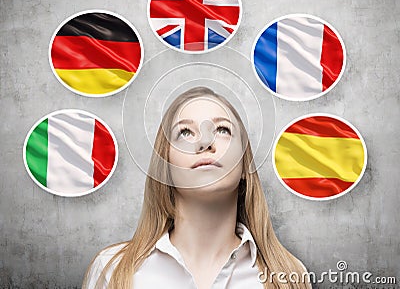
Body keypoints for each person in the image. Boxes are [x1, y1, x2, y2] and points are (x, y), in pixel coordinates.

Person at [82, 86, 311, 289]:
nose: (205, 143)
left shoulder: (289, 276)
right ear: (166, 168)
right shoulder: (111, 270)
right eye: (185, 132)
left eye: (222, 130)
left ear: (244, 166)